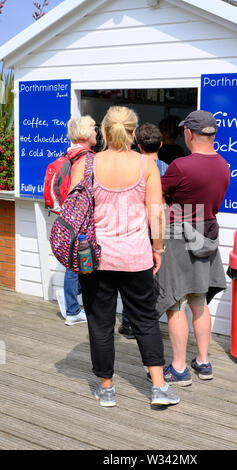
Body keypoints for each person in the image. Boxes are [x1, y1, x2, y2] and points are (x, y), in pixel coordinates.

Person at [69, 106, 180, 408]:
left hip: (96, 258)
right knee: (145, 320)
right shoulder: (147, 165)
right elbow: (157, 214)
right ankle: (158, 386)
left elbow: (73, 210)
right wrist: (158, 249)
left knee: (100, 322)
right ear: (133, 133)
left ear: (103, 132)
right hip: (136, 257)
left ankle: (106, 389)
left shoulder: (86, 164)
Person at [154, 110, 230, 386]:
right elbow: (214, 206)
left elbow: (156, 194)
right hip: (207, 233)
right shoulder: (224, 165)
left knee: (175, 303)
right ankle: (203, 361)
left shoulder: (181, 166)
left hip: (177, 237)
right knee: (199, 301)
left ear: (189, 134)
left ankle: (178, 368)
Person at [118, 123, 169, 339]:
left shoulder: (132, 167)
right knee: (154, 278)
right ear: (161, 143)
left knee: (131, 277)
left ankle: (129, 323)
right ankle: (148, 321)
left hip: (134, 227)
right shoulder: (168, 168)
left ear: (138, 145)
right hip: (156, 228)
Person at [56, 115, 97, 326]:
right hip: (80, 218)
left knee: (80, 262)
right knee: (78, 263)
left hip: (68, 215)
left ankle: (70, 299)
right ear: (85, 133)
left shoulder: (70, 154)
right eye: (93, 128)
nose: (96, 132)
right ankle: (72, 308)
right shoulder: (87, 157)